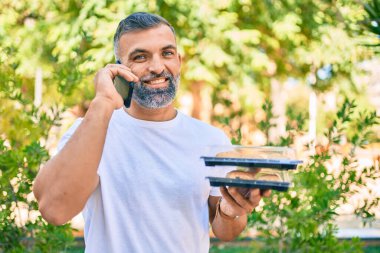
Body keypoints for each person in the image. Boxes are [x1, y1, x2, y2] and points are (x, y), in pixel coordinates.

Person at [33, 12, 270, 252]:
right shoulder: (92, 130)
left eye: (167, 53)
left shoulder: (211, 139)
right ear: (119, 70)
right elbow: (54, 210)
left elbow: (225, 230)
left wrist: (232, 210)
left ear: (179, 60)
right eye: (140, 57)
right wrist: (103, 101)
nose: (157, 67)